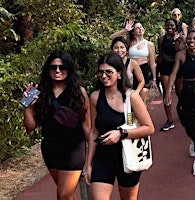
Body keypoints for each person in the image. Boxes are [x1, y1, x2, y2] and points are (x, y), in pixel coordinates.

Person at [85, 52, 154, 199]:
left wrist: (121, 133)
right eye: (101, 72)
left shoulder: (132, 97)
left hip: (128, 156)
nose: (104, 76)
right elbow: (94, 132)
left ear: (119, 73)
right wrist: (88, 164)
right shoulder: (95, 97)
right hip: (103, 158)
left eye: (109, 72)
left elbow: (149, 128)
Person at [23, 50, 91, 199]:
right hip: (51, 149)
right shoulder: (37, 92)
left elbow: (87, 125)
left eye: (62, 67)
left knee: (63, 195)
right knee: (67, 195)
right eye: (53, 67)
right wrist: (27, 106)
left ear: (69, 69)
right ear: (48, 70)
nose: (58, 71)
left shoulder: (79, 92)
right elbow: (29, 127)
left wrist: (92, 155)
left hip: (74, 149)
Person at [164, 30, 195, 176]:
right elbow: (173, 74)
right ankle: (193, 138)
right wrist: (168, 92)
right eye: (189, 39)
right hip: (186, 92)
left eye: (194, 39)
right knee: (186, 122)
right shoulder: (181, 56)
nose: (191, 41)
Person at [110, 21, 157, 103]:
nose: (140, 29)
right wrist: (125, 30)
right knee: (131, 97)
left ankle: (142, 113)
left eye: (141, 27)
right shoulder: (129, 42)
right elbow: (112, 38)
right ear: (133, 31)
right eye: (137, 28)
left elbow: (152, 63)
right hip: (131, 71)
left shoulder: (149, 44)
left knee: (142, 97)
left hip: (144, 70)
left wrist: (154, 78)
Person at [157, 19, 186, 131]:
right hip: (165, 66)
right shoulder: (161, 39)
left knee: (179, 91)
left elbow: (180, 51)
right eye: (168, 26)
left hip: (177, 66)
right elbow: (160, 55)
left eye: (172, 26)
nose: (170, 28)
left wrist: (176, 41)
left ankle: (184, 109)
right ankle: (169, 120)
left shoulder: (181, 38)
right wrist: (157, 72)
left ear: (176, 27)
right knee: (166, 91)